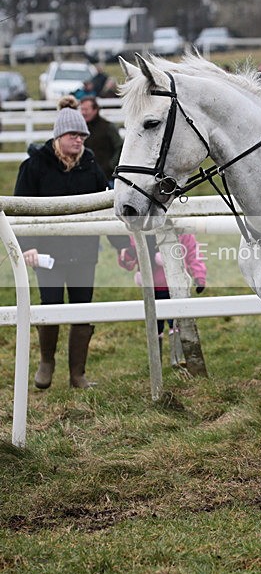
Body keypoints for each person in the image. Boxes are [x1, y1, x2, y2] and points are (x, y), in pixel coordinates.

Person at [14, 104, 109, 389]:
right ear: (58, 136)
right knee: (51, 304)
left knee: (83, 308)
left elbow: (104, 206)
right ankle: (46, 364)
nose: (79, 140)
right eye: (72, 134)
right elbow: (21, 209)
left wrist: (125, 246)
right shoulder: (34, 165)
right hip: (46, 254)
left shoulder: (90, 164)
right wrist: (27, 246)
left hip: (84, 253)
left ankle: (77, 373)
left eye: (82, 135)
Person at [118, 234, 207, 367]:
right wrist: (127, 255)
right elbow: (128, 261)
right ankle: (155, 361)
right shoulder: (141, 234)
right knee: (154, 325)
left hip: (176, 288)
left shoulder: (183, 233)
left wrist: (199, 276)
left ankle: (177, 359)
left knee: (176, 323)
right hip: (152, 290)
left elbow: (193, 254)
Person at [79, 95, 123, 186]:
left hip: (107, 177)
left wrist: (111, 166)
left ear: (95, 110)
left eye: (86, 110)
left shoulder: (108, 127)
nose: (83, 112)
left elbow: (119, 147)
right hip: (86, 178)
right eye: (82, 109)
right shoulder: (79, 130)